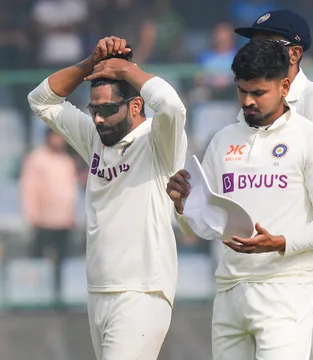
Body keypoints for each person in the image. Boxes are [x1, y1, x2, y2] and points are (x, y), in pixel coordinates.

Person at [166, 39, 313, 360]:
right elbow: (204, 226)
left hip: (286, 289)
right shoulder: (222, 140)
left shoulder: (310, 139)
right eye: (242, 91)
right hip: (229, 291)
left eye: (258, 93)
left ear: (284, 85)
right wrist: (183, 206)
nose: (247, 101)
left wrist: (280, 242)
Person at [27, 36, 188, 360]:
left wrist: (127, 69)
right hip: (99, 289)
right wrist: (92, 63)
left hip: (142, 290)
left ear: (135, 105)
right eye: (94, 110)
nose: (98, 119)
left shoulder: (159, 141)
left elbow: (172, 105)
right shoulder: (95, 140)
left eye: (107, 110)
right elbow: (40, 100)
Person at [233, 10, 313, 360]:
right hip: (275, 245)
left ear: (294, 53)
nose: (257, 50)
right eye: (253, 44)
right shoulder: (250, 106)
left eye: (266, 43)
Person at [20, 127, 78, 303]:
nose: (59, 140)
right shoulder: (36, 159)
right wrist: (32, 215)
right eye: (56, 136)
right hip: (42, 221)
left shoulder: (67, 161)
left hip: (63, 221)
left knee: (62, 262)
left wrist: (71, 215)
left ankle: (58, 296)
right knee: (39, 262)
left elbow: (71, 191)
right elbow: (28, 188)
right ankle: (37, 298)